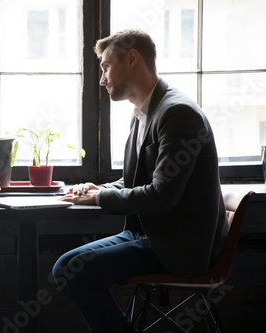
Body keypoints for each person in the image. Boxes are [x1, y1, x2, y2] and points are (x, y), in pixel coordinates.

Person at [53, 30, 228, 333]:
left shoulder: (178, 114)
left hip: (177, 247)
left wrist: (97, 199)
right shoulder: (144, 112)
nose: (102, 79)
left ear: (132, 58)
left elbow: (161, 195)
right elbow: (138, 180)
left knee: (74, 273)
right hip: (146, 233)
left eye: (106, 67)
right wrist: (102, 189)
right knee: (64, 268)